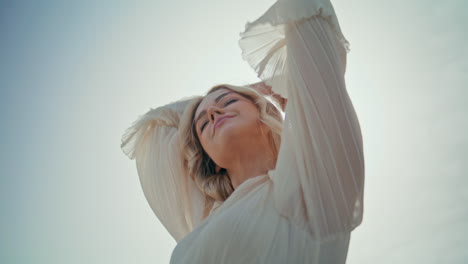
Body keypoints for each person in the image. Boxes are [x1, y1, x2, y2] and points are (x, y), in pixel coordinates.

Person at [121, 0, 365, 263]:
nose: (213, 113)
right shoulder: (210, 216)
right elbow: (152, 127)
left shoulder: (309, 185)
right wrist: (231, 99)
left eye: (228, 103)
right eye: (203, 124)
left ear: (263, 115)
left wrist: (271, 92)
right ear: (208, 158)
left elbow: (307, 15)